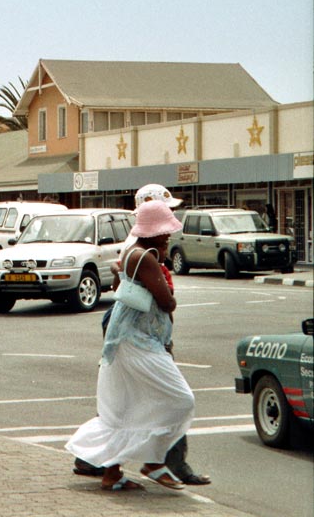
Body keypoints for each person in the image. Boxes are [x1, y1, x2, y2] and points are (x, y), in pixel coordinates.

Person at [76, 183, 210, 486]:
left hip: (128, 337)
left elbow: (118, 283)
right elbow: (167, 301)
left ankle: (116, 471)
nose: (170, 235)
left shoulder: (135, 252)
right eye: (166, 229)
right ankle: (154, 462)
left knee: (126, 403)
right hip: (138, 340)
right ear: (156, 231)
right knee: (179, 399)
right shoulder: (146, 257)